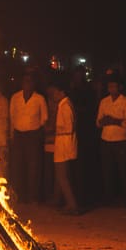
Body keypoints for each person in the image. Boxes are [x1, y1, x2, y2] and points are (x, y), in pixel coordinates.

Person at [8, 72, 48, 204]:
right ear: (22, 83)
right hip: (19, 135)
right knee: (18, 166)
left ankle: (33, 197)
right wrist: (12, 136)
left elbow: (44, 119)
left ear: (34, 84)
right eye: (25, 81)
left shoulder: (39, 99)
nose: (27, 84)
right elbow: (12, 118)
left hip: (33, 135)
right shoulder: (15, 97)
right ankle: (19, 196)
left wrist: (39, 135)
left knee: (33, 167)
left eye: (30, 81)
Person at [95, 75, 126, 207]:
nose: (111, 89)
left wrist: (112, 120)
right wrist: (113, 120)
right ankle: (109, 199)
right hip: (106, 139)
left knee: (124, 170)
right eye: (109, 86)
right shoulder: (104, 102)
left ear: (120, 87)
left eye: (114, 86)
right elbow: (98, 122)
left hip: (120, 140)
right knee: (107, 170)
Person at [52, 81, 80, 214]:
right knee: (62, 175)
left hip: (64, 143)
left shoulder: (66, 106)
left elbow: (69, 127)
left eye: (55, 92)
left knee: (62, 176)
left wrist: (54, 129)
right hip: (63, 142)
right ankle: (58, 201)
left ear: (61, 92)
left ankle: (72, 204)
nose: (53, 95)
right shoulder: (63, 105)